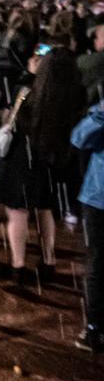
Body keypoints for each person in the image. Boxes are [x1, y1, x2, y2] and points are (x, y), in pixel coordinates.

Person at [0, 35, 85, 285]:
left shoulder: (30, 91)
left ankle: (18, 265)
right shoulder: (75, 94)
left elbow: (16, 119)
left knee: (18, 212)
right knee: (46, 210)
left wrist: (30, 76)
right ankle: (48, 260)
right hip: (53, 159)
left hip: (25, 158)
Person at [71, 100, 104, 352]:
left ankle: (95, 328)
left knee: (96, 264)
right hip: (98, 199)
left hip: (97, 196)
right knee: (96, 263)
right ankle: (94, 327)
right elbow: (79, 138)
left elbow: (79, 138)